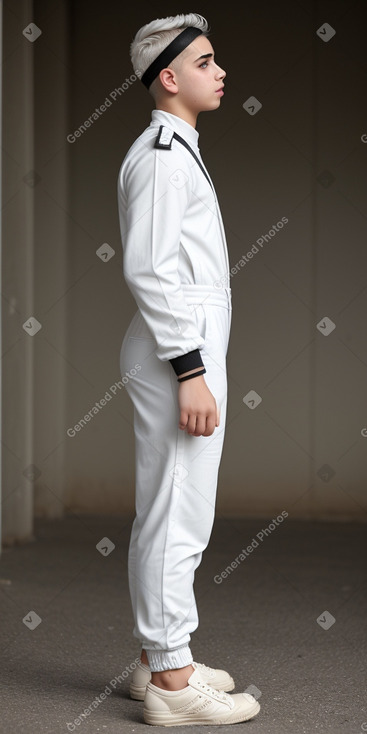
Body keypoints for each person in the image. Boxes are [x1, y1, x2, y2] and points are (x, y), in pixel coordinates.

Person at [117, 12, 260, 726]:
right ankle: (173, 681)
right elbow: (147, 270)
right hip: (180, 349)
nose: (220, 71)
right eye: (204, 62)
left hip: (187, 344)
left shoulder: (178, 149)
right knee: (178, 512)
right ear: (168, 79)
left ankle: (156, 658)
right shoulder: (165, 154)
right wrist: (189, 368)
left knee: (173, 506)